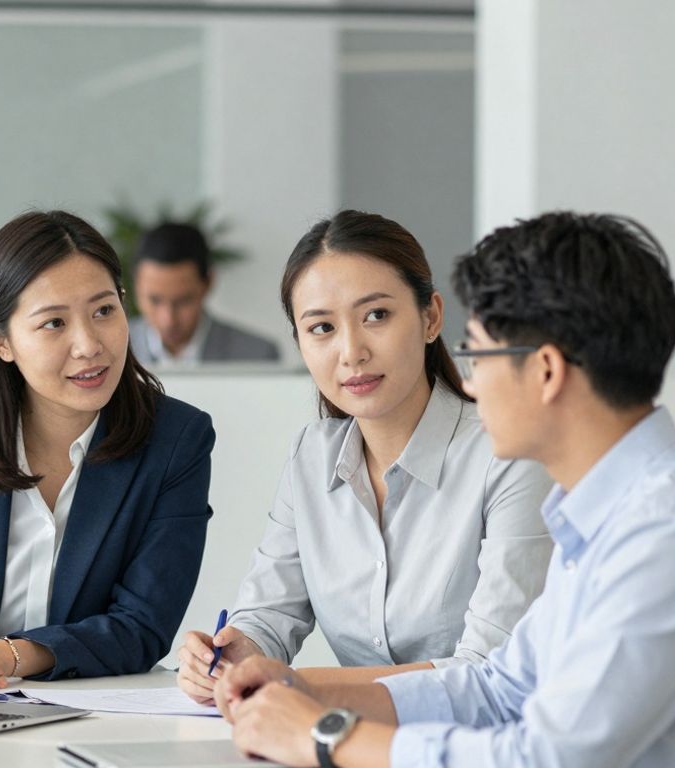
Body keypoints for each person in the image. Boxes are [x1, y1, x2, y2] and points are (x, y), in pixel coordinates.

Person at [214, 211, 675, 768]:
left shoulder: (667, 528)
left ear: (545, 371)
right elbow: (500, 688)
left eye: (481, 355)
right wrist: (307, 692)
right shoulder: (606, 513)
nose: (469, 382)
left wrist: (327, 737)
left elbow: (547, 757)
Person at [177, 210, 552, 704]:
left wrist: (297, 686)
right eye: (322, 328)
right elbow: (270, 614)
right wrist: (227, 657)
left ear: (430, 317)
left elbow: (490, 674)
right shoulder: (311, 456)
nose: (351, 352)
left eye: (376, 315)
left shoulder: (508, 456)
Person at [0, 210, 214, 687]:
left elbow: (141, 627)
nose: (89, 345)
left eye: (104, 311)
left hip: (91, 717)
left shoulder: (175, 440)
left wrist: (7, 656)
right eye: (53, 324)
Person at [128, 222, 279, 366]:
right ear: (135, 286)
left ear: (208, 284)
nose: (168, 320)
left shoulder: (256, 355)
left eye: (183, 301)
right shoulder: (111, 348)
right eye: (155, 300)